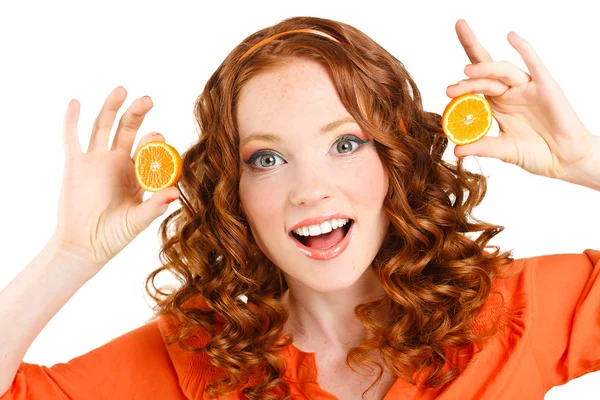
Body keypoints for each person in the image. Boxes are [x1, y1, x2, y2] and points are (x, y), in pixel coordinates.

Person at [1, 15, 599, 400]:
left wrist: (583, 162)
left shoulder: (512, 312)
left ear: (397, 159)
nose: (309, 190)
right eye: (267, 158)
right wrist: (69, 254)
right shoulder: (196, 359)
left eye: (344, 144)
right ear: (231, 192)